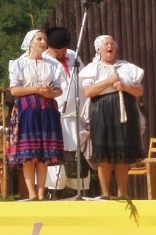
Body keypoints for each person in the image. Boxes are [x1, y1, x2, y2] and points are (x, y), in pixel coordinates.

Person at [79, 35, 144, 199]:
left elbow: (139, 91)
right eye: (106, 44)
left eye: (112, 44)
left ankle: (123, 194)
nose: (110, 46)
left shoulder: (127, 67)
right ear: (99, 49)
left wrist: (125, 86)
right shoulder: (92, 69)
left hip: (124, 110)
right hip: (101, 111)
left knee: (123, 153)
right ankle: (105, 193)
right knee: (104, 153)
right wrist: (109, 81)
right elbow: (88, 92)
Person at [6, 29, 66, 201]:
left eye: (44, 39)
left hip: (46, 109)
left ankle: (41, 193)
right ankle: (31, 194)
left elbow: (59, 89)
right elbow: (15, 90)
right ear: (30, 42)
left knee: (43, 154)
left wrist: (48, 93)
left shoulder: (52, 64)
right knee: (28, 155)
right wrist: (36, 89)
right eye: (39, 39)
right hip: (27, 109)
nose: (42, 42)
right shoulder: (18, 63)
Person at [42, 27, 90, 194]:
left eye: (63, 50)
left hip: (77, 117)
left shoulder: (73, 55)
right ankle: (54, 192)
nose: (62, 54)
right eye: (58, 51)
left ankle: (79, 192)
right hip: (57, 117)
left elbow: (83, 79)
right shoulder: (43, 60)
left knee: (78, 157)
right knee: (58, 160)